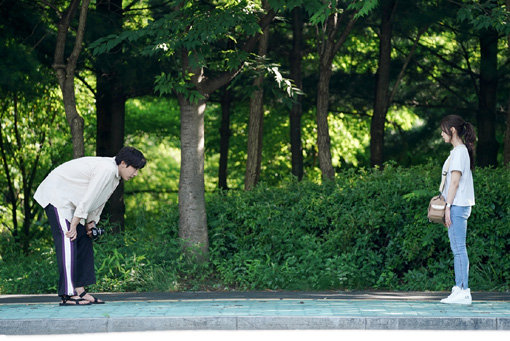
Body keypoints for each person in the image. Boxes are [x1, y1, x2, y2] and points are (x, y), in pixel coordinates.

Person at [34, 146, 146, 306]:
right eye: (135, 168)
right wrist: (73, 225)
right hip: (57, 197)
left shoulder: (115, 176)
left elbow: (99, 200)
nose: (135, 173)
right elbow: (88, 198)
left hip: (73, 203)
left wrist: (90, 223)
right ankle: (68, 294)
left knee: (84, 240)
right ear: (123, 163)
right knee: (68, 241)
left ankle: (80, 290)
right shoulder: (107, 169)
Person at [438, 115, 476, 305]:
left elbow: (454, 182)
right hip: (458, 204)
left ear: (452, 130)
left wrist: (447, 207)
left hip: (457, 205)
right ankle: (459, 288)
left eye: (444, 130)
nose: (441, 133)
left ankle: (463, 290)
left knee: (459, 248)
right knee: (457, 248)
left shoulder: (460, 152)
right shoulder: (458, 152)